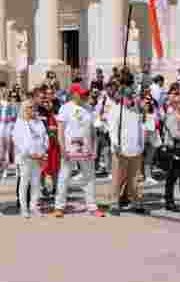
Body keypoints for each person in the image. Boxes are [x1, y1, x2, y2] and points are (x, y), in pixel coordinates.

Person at [55, 84, 103, 218]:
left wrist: (94, 148)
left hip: (86, 149)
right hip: (69, 149)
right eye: (81, 93)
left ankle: (92, 206)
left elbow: (93, 130)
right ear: (74, 94)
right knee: (64, 177)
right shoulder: (65, 108)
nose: (84, 95)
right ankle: (59, 206)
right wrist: (62, 149)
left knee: (89, 178)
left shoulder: (89, 108)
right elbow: (60, 131)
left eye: (85, 93)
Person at [108, 88, 147, 215]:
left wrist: (141, 145)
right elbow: (112, 129)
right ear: (122, 97)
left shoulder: (136, 111)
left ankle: (136, 201)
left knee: (135, 179)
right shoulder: (115, 110)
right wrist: (115, 144)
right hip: (120, 150)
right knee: (118, 178)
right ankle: (114, 203)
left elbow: (141, 128)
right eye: (128, 97)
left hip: (135, 149)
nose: (130, 99)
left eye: (132, 96)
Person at [12, 100, 48, 218]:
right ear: (24, 109)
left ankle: (34, 206)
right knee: (24, 182)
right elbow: (17, 141)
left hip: (38, 157)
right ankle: (24, 208)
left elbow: (45, 138)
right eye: (29, 107)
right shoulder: (19, 123)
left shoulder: (39, 122)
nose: (32, 110)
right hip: (25, 158)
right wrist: (30, 153)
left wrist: (43, 152)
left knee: (36, 183)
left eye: (33, 107)